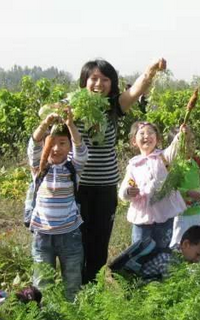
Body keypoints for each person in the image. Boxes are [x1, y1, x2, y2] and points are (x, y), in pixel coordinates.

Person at [77, 57, 166, 284]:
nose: (99, 84)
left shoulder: (113, 107)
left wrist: (150, 70)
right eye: (93, 78)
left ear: (112, 83)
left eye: (105, 79)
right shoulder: (74, 108)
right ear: (84, 81)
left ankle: (94, 288)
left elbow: (136, 91)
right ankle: (76, 288)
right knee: (78, 241)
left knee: (99, 241)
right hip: (77, 188)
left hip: (105, 188)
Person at [27, 108, 88, 301]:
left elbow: (82, 149)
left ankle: (72, 313)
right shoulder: (40, 167)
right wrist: (45, 124)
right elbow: (33, 146)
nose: (56, 148)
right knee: (43, 283)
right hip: (42, 236)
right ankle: (47, 314)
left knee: (72, 281)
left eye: (62, 143)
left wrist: (70, 124)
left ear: (69, 147)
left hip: (70, 234)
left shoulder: (73, 168)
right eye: (51, 143)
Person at [118, 121, 187, 249]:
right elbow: (123, 190)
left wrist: (180, 136)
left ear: (157, 139)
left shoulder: (163, 157)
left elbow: (174, 148)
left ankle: (159, 268)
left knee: (161, 249)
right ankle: (137, 269)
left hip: (164, 214)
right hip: (142, 217)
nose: (146, 136)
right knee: (139, 251)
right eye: (142, 133)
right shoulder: (134, 165)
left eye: (150, 133)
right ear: (134, 141)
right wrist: (128, 192)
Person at [132, 226, 200, 280]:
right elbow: (173, 288)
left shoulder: (176, 255)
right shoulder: (169, 261)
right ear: (186, 244)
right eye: (198, 254)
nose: (198, 260)